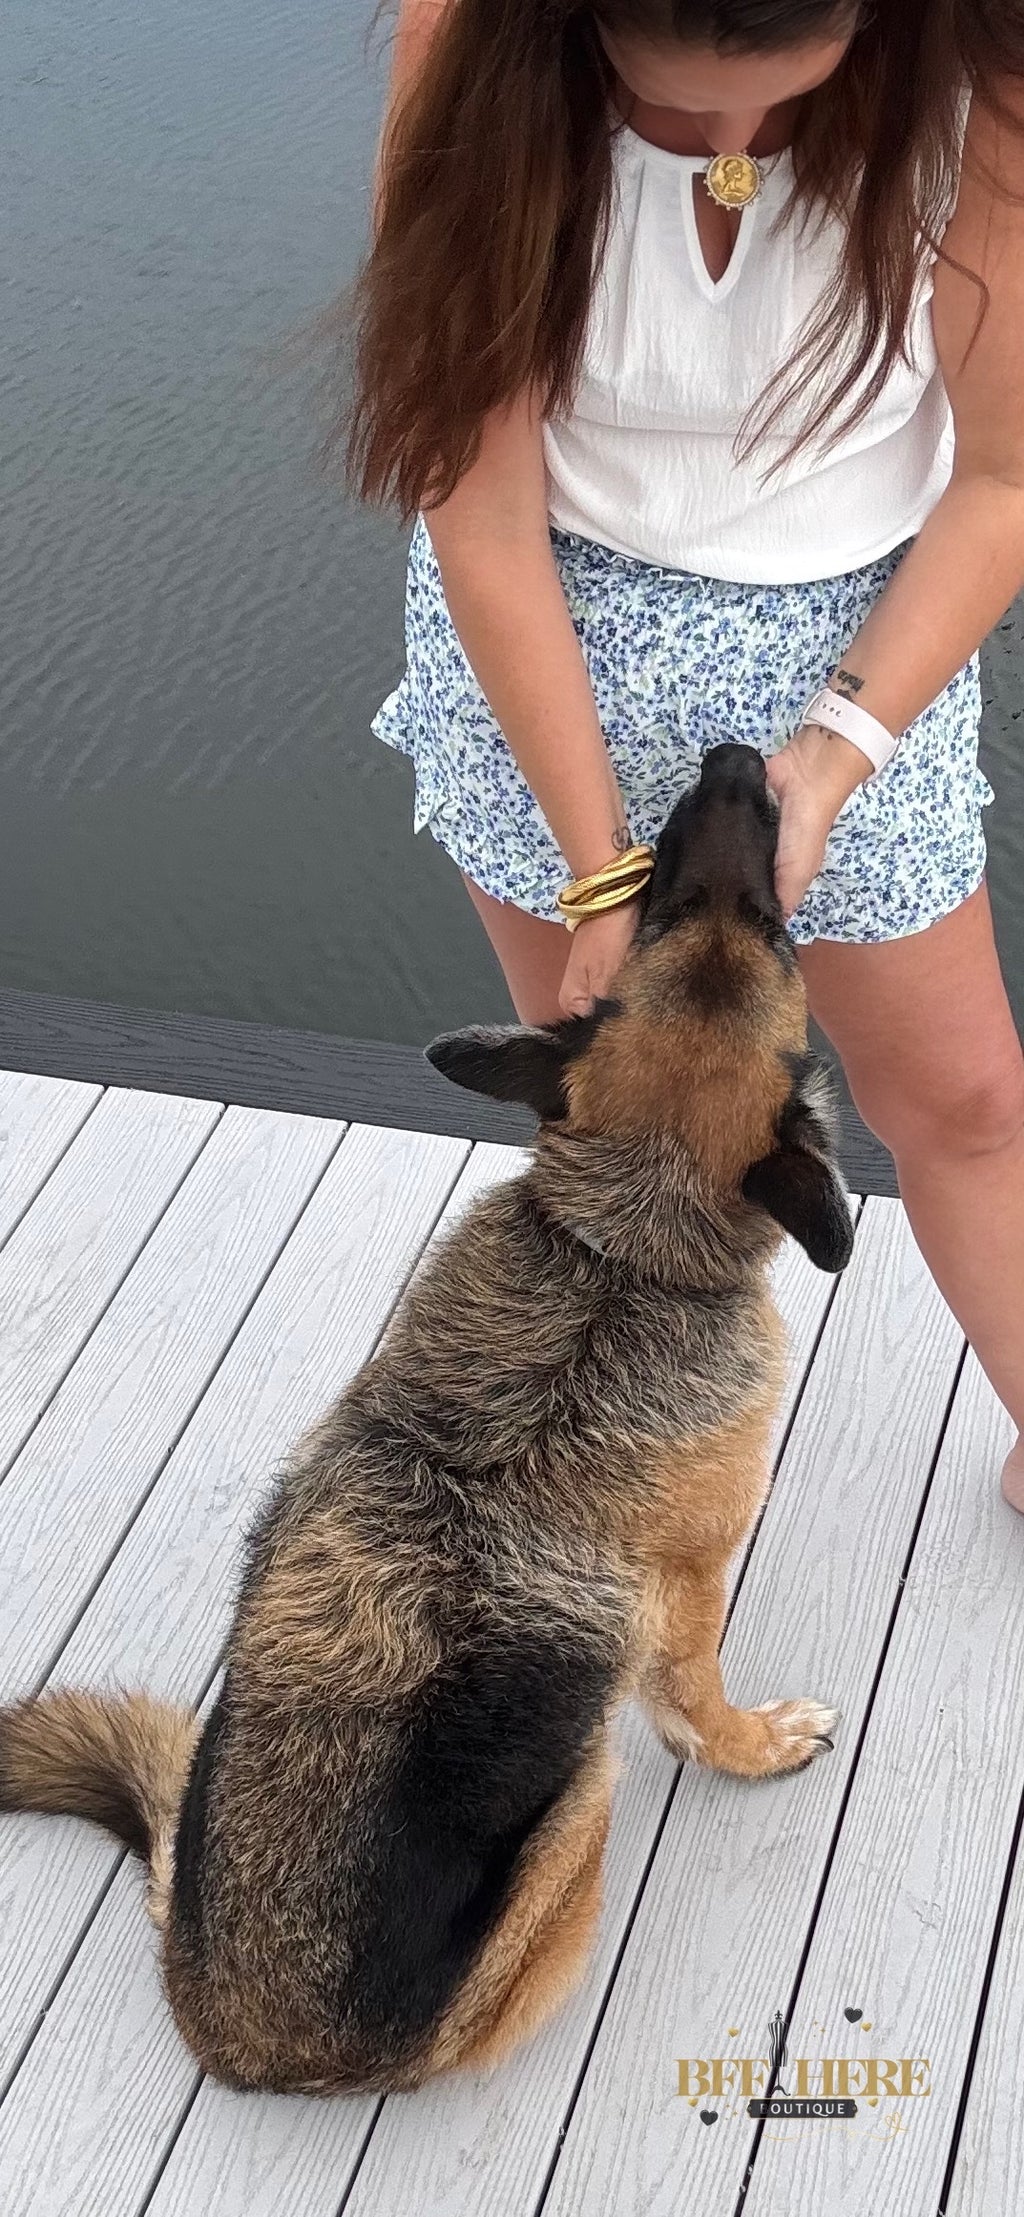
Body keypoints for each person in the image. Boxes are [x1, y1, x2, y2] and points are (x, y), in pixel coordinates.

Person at [337, 2, 1024, 1503]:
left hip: (863, 640)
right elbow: (482, 511)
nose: (731, 159)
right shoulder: (465, 35)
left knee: (967, 1098)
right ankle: (653, 1473)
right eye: (674, 116)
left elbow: (1003, 476)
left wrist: (838, 752)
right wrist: (599, 885)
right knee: (639, 1122)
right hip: (546, 642)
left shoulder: (990, 68)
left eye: (777, 111)